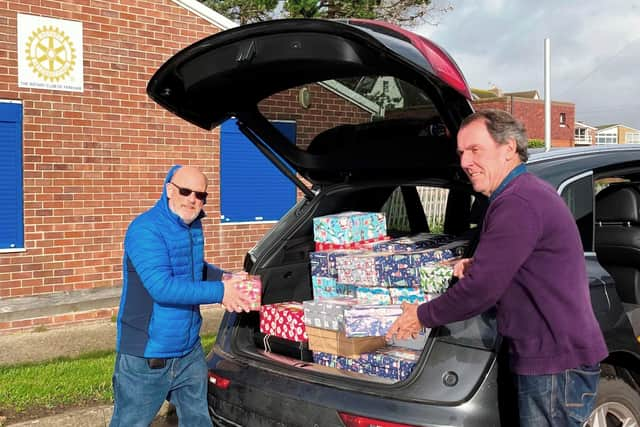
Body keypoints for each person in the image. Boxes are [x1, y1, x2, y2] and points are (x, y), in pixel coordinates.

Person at [386, 109, 608, 427]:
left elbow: (481, 290)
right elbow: (525, 262)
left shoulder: (518, 202)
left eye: (475, 150)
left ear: (508, 149)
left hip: (556, 364)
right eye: (462, 153)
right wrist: (479, 264)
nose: (464, 162)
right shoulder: (519, 195)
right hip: (556, 359)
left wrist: (420, 315)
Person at [110, 165, 252, 427]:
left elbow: (193, 267)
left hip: (188, 351)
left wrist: (225, 277)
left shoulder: (191, 226)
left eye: (201, 195)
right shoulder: (145, 230)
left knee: (198, 420)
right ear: (168, 190)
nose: (193, 199)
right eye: (185, 191)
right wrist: (222, 293)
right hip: (148, 355)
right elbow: (162, 286)